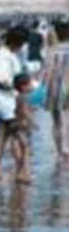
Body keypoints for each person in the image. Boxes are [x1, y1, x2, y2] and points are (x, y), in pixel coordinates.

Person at [0, 27, 30, 183]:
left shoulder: (7, 55)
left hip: (5, 102)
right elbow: (2, 80)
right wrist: (18, 88)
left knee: (3, 135)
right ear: (16, 43)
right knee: (18, 138)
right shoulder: (4, 57)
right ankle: (21, 171)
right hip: (7, 103)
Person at [41, 19, 68, 161]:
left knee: (56, 121)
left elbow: (47, 72)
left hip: (53, 88)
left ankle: (59, 151)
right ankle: (66, 149)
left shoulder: (51, 51)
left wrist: (42, 88)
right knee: (66, 120)